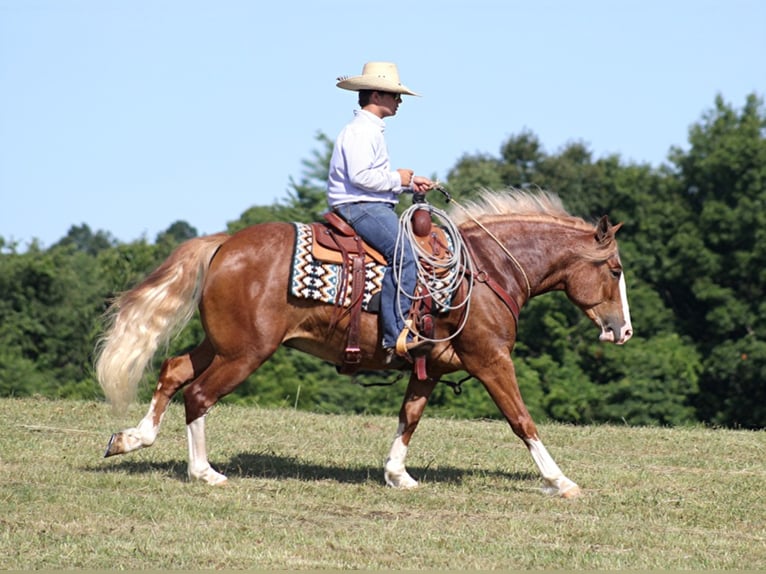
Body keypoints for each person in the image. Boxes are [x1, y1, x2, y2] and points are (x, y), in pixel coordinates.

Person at [327, 62, 435, 362]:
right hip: (359, 207)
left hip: (363, 203)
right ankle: (398, 335)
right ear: (376, 95)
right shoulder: (362, 132)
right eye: (394, 95)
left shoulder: (367, 130)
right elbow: (361, 177)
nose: (399, 101)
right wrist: (398, 179)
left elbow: (370, 177)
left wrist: (408, 183)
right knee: (404, 255)